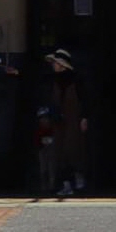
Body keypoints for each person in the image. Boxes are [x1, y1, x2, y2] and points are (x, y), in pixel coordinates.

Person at [41, 49, 91, 196]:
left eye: (56, 63)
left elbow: (84, 100)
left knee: (74, 151)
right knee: (59, 153)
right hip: (58, 121)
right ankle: (66, 184)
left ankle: (78, 179)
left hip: (73, 120)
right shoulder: (52, 80)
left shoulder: (76, 80)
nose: (53, 65)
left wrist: (84, 117)